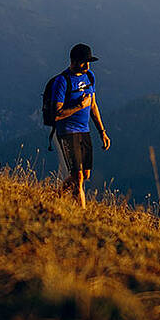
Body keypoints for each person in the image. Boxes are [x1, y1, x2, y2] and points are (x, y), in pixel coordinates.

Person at [45, 43, 110, 209]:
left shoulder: (89, 77)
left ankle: (54, 196)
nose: (88, 65)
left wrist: (102, 132)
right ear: (73, 61)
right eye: (84, 62)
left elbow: (93, 106)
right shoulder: (62, 81)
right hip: (67, 131)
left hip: (84, 130)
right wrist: (79, 107)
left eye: (89, 62)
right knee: (78, 177)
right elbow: (57, 114)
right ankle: (82, 216)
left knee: (85, 175)